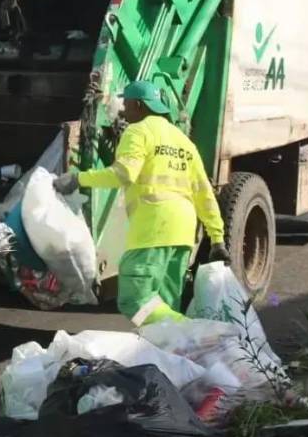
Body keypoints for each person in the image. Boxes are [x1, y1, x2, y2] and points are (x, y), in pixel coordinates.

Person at [54, 80, 230, 326]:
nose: (124, 111)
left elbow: (123, 174)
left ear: (139, 104)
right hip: (182, 231)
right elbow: (204, 193)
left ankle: (195, 331)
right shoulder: (184, 142)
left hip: (153, 228)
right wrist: (217, 237)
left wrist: (78, 178)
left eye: (126, 104)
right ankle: (170, 356)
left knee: (134, 300)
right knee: (165, 304)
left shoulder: (138, 132)